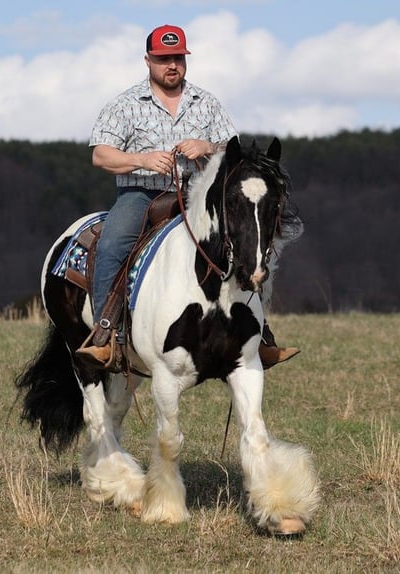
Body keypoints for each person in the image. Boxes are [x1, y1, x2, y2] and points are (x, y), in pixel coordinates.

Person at [76, 24, 298, 370]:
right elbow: (100, 155)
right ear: (148, 60)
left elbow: (235, 153)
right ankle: (106, 336)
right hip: (142, 195)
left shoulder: (206, 103)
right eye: (164, 59)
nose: (172, 65)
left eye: (177, 58)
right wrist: (142, 159)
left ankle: (261, 336)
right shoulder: (125, 105)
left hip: (200, 196)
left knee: (243, 243)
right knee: (112, 244)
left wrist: (208, 147)